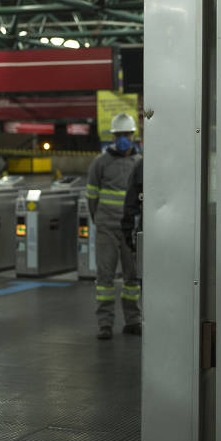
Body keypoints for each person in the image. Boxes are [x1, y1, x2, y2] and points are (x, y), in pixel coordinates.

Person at [87, 113, 142, 340]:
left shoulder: (140, 163)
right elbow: (92, 197)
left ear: (132, 135)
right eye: (119, 135)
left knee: (132, 278)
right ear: (113, 137)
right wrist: (99, 221)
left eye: (126, 135)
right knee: (105, 279)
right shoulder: (100, 163)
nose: (123, 139)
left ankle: (133, 321)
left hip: (130, 230)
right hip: (107, 228)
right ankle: (105, 324)